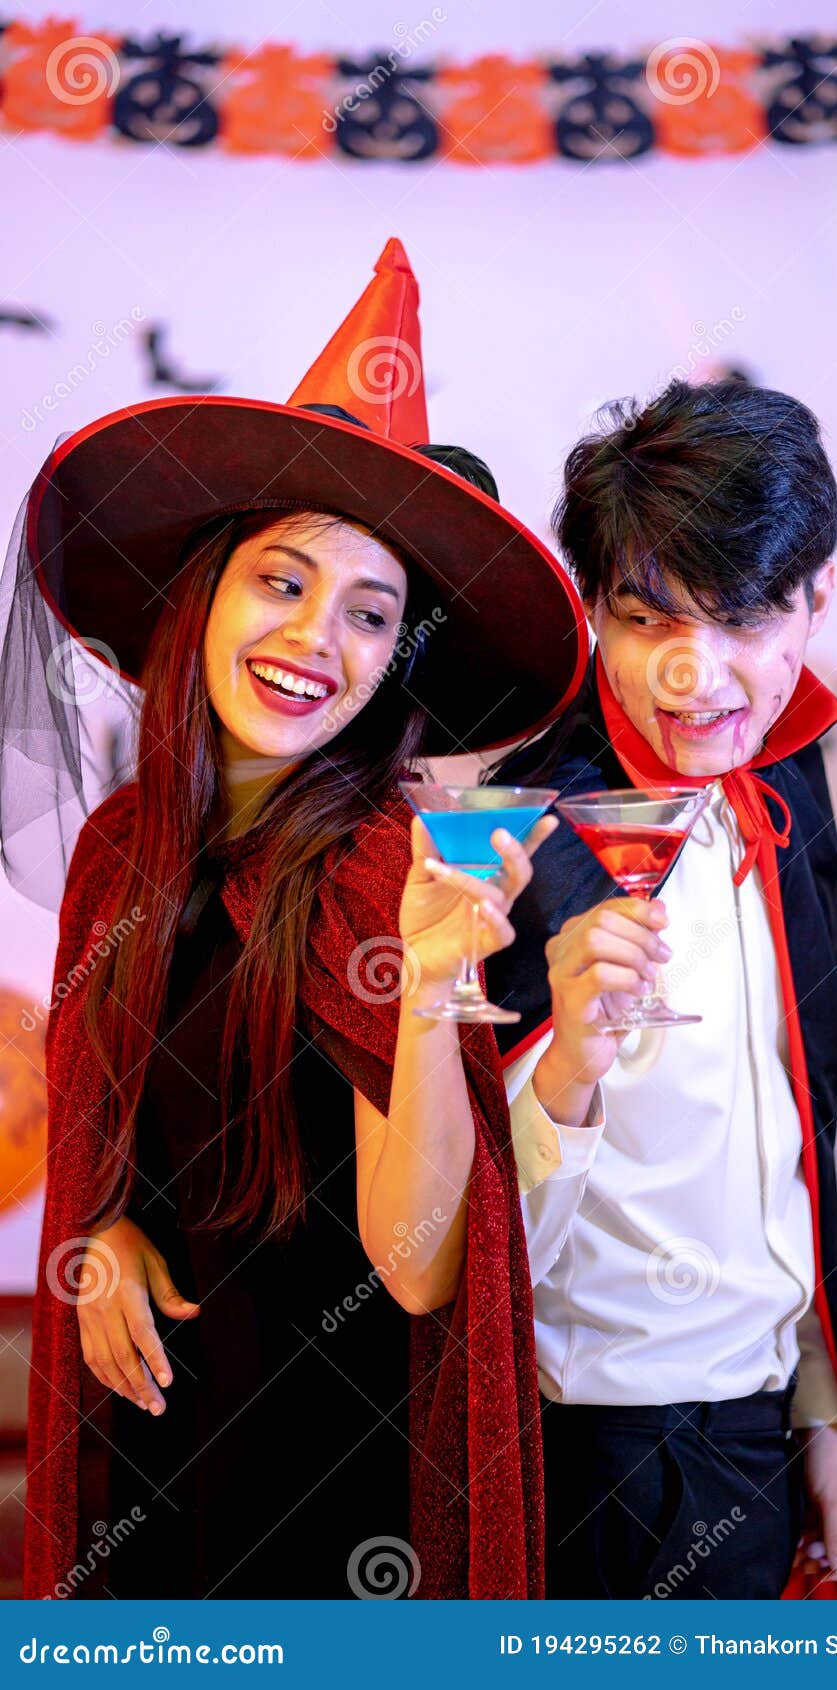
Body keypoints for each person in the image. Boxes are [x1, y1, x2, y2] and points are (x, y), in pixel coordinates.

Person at [3, 239, 587, 1599]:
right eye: (285, 580)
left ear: (395, 662)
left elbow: (416, 1265)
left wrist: (438, 982)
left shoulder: (384, 868)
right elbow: (118, 1136)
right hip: (148, 1460)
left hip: (327, 1498)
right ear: (207, 590)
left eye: (370, 612)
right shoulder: (118, 856)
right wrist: (104, 1234)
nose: (319, 637)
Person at [486, 378, 837, 1600]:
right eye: (646, 618)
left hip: (756, 1436)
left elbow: (790, 1134)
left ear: (816, 596)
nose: (691, 675)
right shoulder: (524, 831)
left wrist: (819, 1412)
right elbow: (457, 1232)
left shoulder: (788, 788)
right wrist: (565, 1071)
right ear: (593, 611)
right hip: (594, 1458)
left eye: (742, 617)